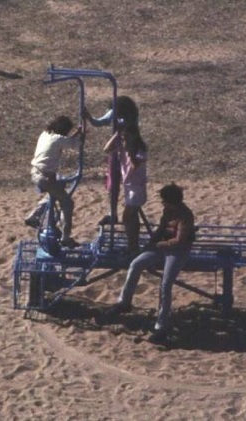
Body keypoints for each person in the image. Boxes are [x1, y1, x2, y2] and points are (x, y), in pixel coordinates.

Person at [108, 183, 195, 343]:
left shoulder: (185, 215)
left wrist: (159, 245)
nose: (162, 204)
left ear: (171, 201)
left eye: (164, 201)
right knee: (136, 264)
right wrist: (150, 244)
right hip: (161, 247)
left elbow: (179, 240)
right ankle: (124, 301)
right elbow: (161, 229)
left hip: (178, 251)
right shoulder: (167, 211)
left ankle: (161, 326)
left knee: (165, 284)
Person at [24, 115, 84, 249]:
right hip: (45, 176)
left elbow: (67, 141)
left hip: (36, 173)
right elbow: (75, 145)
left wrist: (75, 134)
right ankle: (66, 237)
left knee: (53, 194)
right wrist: (81, 135)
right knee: (67, 203)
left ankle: (33, 216)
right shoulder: (58, 139)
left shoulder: (45, 134)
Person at [84, 96, 140, 226]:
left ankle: (131, 210)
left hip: (128, 149)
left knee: (130, 182)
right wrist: (88, 117)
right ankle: (112, 213)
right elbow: (99, 122)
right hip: (116, 151)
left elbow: (132, 130)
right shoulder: (114, 112)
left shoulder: (132, 116)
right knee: (113, 184)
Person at [103, 123, 148, 255]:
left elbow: (135, 165)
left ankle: (133, 245)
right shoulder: (123, 148)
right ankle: (132, 245)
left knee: (127, 217)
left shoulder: (140, 149)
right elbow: (106, 149)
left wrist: (129, 150)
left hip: (137, 188)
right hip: (128, 188)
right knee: (132, 219)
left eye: (126, 137)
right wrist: (117, 135)